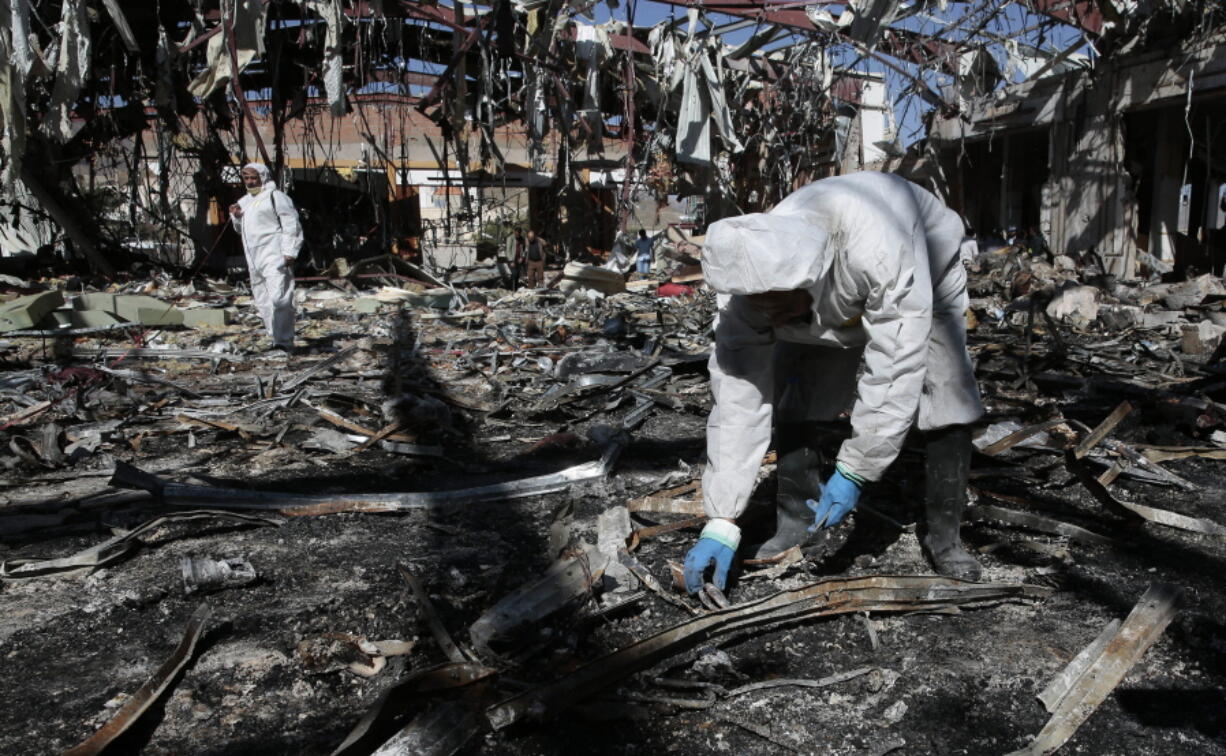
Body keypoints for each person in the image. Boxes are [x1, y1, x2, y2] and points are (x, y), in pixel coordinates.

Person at [683, 171, 984, 595]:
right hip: (830, 296)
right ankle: (798, 522)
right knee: (799, 392)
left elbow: (895, 365)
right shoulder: (746, 287)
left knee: (945, 390)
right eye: (760, 306)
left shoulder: (876, 253)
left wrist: (857, 469)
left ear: (805, 277)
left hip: (924, 269)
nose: (769, 315)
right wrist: (721, 520)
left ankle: (946, 538)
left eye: (779, 304)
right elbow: (737, 402)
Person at [228, 163, 302, 353]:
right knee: (262, 299)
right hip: (254, 257)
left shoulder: (275, 197)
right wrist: (236, 217)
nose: (250, 182)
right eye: (246, 178)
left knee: (280, 297)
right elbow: (240, 229)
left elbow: (291, 223)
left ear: (263, 177)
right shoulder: (244, 201)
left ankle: (284, 342)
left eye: (254, 177)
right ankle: (274, 337)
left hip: (274, 253)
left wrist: (290, 251)